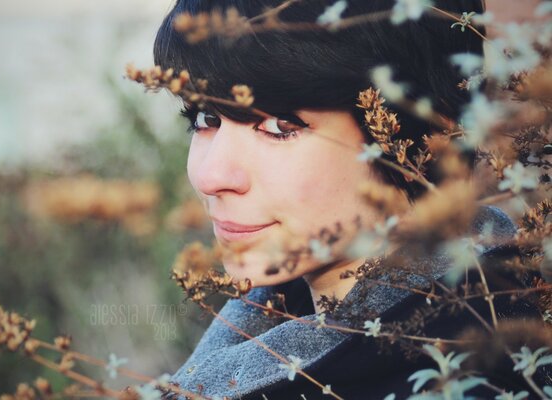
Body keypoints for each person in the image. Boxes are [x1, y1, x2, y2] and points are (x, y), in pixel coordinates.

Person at [147, 0, 547, 399]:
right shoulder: (271, 321)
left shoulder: (465, 382)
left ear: (421, 132)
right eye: (204, 119)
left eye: (277, 126)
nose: (211, 176)